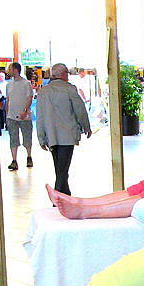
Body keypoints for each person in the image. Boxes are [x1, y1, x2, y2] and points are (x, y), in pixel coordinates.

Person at [36, 63, 91, 195]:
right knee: (62, 170)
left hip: (51, 136)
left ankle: (65, 195)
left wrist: (41, 137)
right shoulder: (70, 89)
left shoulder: (43, 91)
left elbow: (40, 116)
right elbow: (80, 109)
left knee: (60, 168)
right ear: (64, 74)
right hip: (67, 135)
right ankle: (58, 197)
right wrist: (86, 127)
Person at [3, 62, 34, 171]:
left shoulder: (26, 84)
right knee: (13, 138)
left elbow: (30, 98)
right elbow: (8, 100)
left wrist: (25, 111)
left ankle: (29, 156)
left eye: (10, 69)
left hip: (24, 116)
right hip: (11, 116)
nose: (8, 71)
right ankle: (14, 160)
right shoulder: (9, 85)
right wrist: (7, 114)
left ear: (16, 70)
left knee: (27, 137)